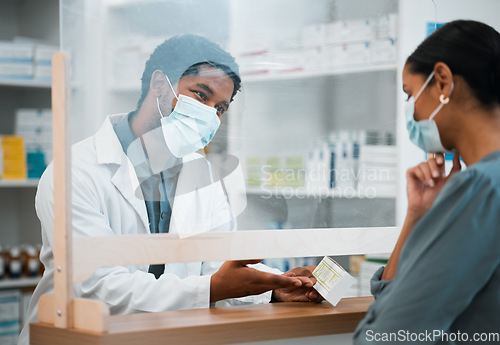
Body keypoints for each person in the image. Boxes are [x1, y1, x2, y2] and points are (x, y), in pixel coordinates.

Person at [19, 35, 320, 344]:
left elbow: (218, 265)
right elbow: (97, 287)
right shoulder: (76, 170)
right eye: (201, 95)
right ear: (160, 85)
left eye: (220, 108)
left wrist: (273, 288)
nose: (210, 116)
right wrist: (213, 287)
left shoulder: (201, 172)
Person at [353, 20, 500, 344]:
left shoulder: (480, 189)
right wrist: (419, 214)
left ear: (443, 82)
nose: (412, 112)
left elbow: (389, 335)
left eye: (410, 94)